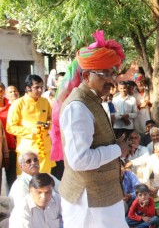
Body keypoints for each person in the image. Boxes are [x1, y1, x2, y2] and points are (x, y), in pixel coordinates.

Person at [55, 30, 130, 228]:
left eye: (112, 73)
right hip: (88, 201)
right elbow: (79, 160)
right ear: (87, 76)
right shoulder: (77, 107)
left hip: (101, 197)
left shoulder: (93, 100)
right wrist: (118, 150)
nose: (111, 79)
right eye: (105, 74)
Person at [6, 74, 54, 174]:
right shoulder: (18, 104)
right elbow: (10, 127)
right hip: (28, 151)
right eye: (37, 87)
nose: (40, 90)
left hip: (44, 148)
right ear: (28, 88)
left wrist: (48, 124)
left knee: (45, 181)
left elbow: (51, 118)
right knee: (28, 182)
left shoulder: (45, 101)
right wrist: (32, 131)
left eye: (41, 87)